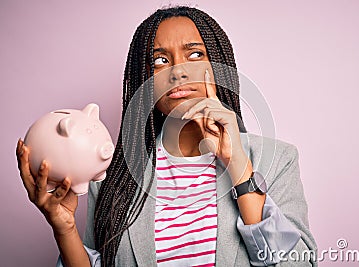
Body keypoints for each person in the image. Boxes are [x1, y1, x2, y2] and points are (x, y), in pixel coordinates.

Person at [16, 6, 317, 267]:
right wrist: (65, 229)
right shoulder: (112, 176)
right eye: (160, 60)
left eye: (195, 54)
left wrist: (238, 165)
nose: (178, 71)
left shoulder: (279, 160)